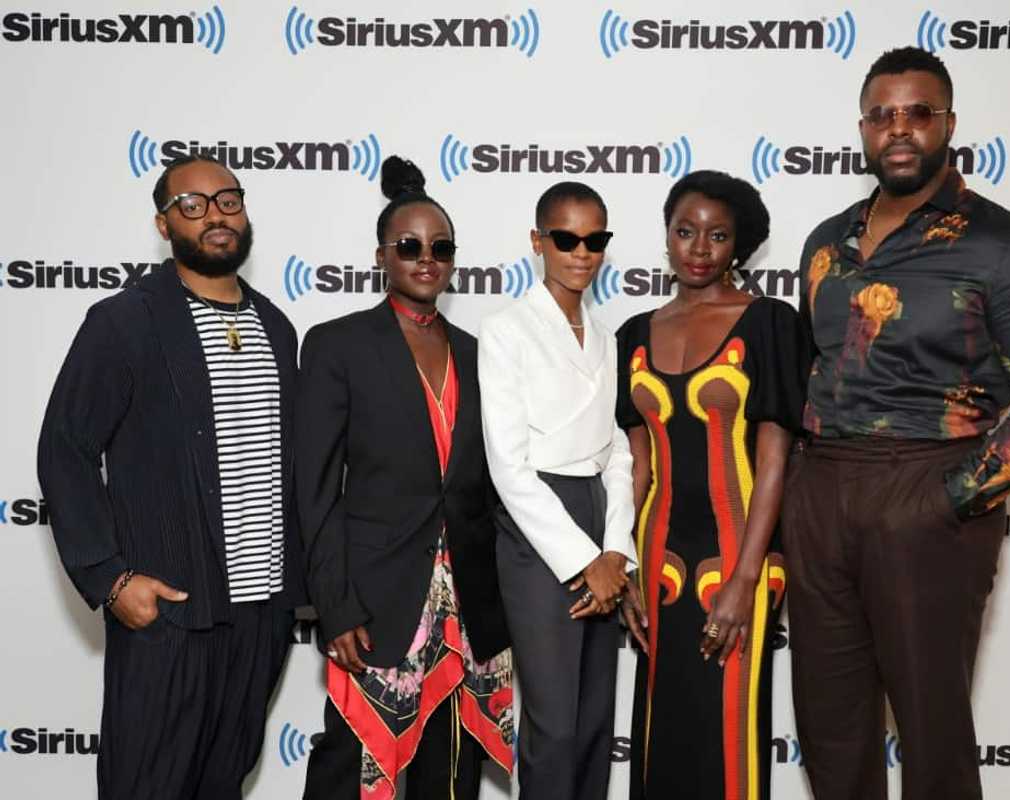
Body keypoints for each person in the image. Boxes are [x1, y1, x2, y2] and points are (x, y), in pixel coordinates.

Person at [783, 46, 1010, 800]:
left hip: (929, 489)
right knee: (831, 733)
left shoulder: (1002, 241)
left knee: (932, 735)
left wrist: (951, 498)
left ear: (948, 124)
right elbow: (812, 374)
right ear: (861, 128)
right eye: (882, 114)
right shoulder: (826, 242)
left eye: (918, 113)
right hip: (821, 495)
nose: (899, 129)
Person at [38, 154, 303, 798]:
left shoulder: (275, 325)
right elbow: (64, 449)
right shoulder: (125, 322)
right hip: (171, 612)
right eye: (193, 204)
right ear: (164, 224)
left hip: (258, 617)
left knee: (222, 783)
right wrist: (110, 577)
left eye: (228, 200)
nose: (215, 215)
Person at [297, 156, 512, 800]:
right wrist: (335, 606)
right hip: (377, 599)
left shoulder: (479, 354)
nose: (427, 258)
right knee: (355, 763)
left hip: (466, 609)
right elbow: (313, 490)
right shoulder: (337, 344)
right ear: (381, 256)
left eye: (441, 247)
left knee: (449, 773)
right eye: (410, 246)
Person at [615, 170, 809, 800]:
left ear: (739, 245)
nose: (699, 248)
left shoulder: (769, 323)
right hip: (655, 560)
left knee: (728, 733)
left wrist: (746, 580)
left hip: (738, 557)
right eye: (685, 231)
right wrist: (623, 566)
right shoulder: (633, 334)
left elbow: (775, 458)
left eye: (717, 236)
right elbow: (636, 468)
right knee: (659, 730)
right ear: (666, 237)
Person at [477, 182, 636, 800]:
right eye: (567, 239)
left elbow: (617, 451)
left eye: (595, 240)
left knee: (596, 721)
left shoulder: (606, 336)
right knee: (555, 727)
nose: (582, 252)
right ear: (537, 241)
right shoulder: (506, 330)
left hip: (599, 523)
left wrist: (616, 549)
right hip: (539, 531)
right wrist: (583, 559)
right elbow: (509, 467)